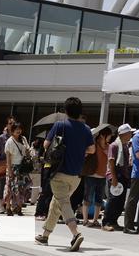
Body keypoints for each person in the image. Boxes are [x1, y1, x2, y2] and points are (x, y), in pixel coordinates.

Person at [35, 97, 95, 252]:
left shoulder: (60, 125)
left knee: (64, 203)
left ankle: (76, 234)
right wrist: (79, 150)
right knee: (57, 204)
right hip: (76, 176)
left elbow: (46, 145)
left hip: (59, 172)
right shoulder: (86, 129)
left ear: (66, 111)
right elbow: (92, 149)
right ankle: (45, 235)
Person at [103, 123, 133, 231]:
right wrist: (114, 177)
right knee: (112, 199)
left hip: (123, 176)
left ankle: (114, 221)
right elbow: (111, 161)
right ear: (123, 134)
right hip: (115, 175)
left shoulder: (125, 145)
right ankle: (106, 222)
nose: (130, 135)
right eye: (129, 133)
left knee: (120, 201)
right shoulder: (114, 145)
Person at [82, 126, 111, 227]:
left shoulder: (108, 146)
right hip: (91, 174)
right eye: (108, 136)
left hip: (102, 175)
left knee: (99, 199)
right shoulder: (94, 144)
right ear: (103, 135)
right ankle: (85, 220)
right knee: (87, 198)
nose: (110, 138)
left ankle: (95, 220)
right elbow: (86, 153)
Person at [3, 123, 32, 216]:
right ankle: (8, 207)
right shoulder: (9, 141)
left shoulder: (23, 139)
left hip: (22, 167)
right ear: (12, 131)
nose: (18, 131)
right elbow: (8, 157)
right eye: (16, 129)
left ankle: (18, 208)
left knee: (21, 188)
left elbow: (27, 151)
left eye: (20, 129)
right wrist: (10, 170)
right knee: (10, 188)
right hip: (13, 167)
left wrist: (28, 152)